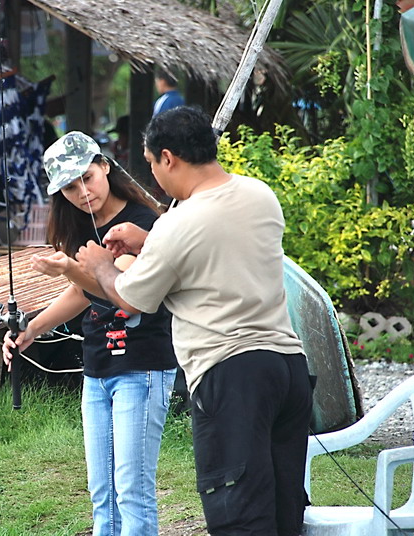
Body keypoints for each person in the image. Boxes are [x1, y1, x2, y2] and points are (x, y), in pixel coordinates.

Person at [76, 106, 314, 535]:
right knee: (284, 514)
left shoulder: (179, 223)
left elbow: (131, 299)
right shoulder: (260, 195)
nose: (153, 176)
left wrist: (98, 265)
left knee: (240, 516)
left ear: (168, 158)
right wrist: (149, 238)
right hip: (287, 369)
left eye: (150, 164)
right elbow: (212, 246)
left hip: (231, 375)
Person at [2, 131, 177, 536]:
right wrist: (32, 328)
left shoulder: (142, 223)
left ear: (105, 167)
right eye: (67, 185)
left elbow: (125, 294)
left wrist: (71, 269)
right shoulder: (82, 225)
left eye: (87, 176)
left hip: (142, 365)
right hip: (97, 370)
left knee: (132, 490)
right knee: (103, 494)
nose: (81, 191)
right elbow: (83, 292)